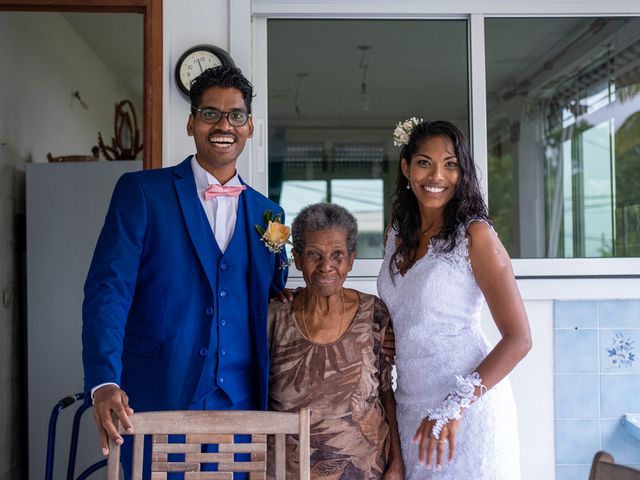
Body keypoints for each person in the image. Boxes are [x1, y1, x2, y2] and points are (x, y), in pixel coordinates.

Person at [82, 65, 288, 478]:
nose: (223, 125)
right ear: (192, 122)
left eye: (236, 115)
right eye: (210, 114)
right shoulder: (141, 192)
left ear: (249, 127)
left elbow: (273, 301)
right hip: (158, 394)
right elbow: (108, 291)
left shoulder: (269, 213)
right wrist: (103, 381)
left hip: (242, 404)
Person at [377, 119, 532, 479]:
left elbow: (520, 339)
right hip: (411, 408)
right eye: (424, 162)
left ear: (462, 172)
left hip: (467, 413)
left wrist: (454, 407)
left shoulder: (476, 236)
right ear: (406, 167)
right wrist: (390, 337)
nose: (437, 176)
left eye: (450, 164)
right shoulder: (396, 232)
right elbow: (409, 312)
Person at [268, 203, 404, 479]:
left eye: (337, 255)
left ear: (351, 259)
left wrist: (397, 463)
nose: (326, 266)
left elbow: (386, 394)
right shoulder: (273, 317)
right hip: (286, 471)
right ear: (297, 258)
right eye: (314, 255)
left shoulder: (373, 313)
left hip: (364, 469)